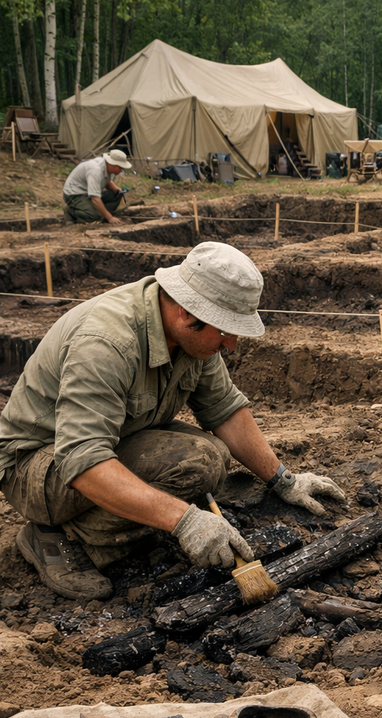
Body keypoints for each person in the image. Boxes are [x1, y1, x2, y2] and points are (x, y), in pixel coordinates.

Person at [0, 241, 345, 602]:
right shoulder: (105, 343)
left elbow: (225, 410)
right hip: (39, 467)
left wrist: (284, 481)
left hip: (109, 442)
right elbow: (83, 459)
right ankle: (60, 536)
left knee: (210, 455)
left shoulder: (192, 337)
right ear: (186, 311)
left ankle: (129, 518)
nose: (232, 346)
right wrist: (185, 520)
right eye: (227, 331)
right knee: (196, 463)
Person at [63, 149, 132, 225]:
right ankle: (70, 211)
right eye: (120, 168)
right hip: (75, 194)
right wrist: (109, 217)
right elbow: (95, 198)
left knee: (115, 195)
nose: (121, 171)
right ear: (113, 165)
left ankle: (94, 210)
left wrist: (118, 191)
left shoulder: (105, 166)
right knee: (95, 216)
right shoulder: (95, 170)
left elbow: (107, 182)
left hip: (88, 193)